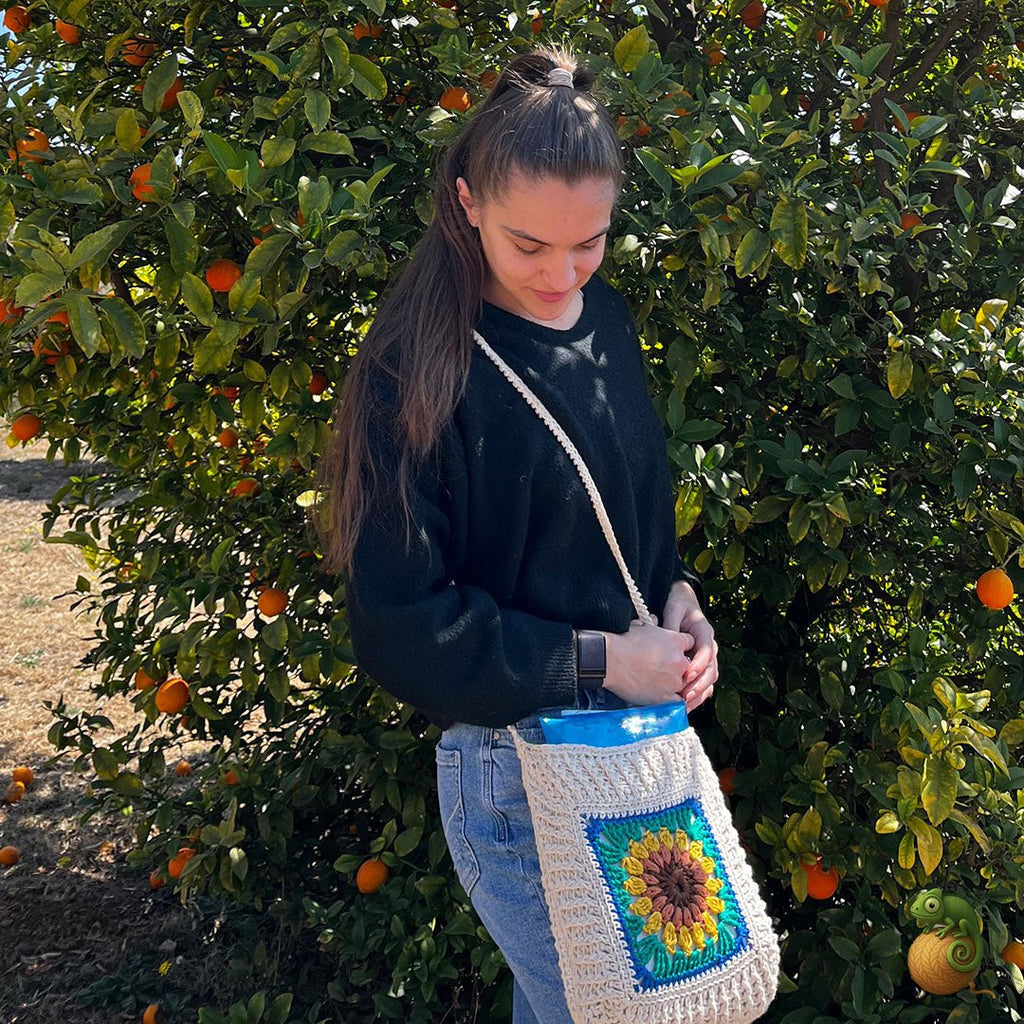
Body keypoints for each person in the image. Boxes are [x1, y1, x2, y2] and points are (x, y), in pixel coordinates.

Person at [312, 44, 720, 1024]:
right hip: (519, 768)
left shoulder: (605, 319)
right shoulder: (419, 369)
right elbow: (401, 622)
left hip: (636, 743)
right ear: (466, 203)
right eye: (528, 244)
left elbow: (625, 512)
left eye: (588, 243)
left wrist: (677, 602)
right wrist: (603, 659)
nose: (560, 273)